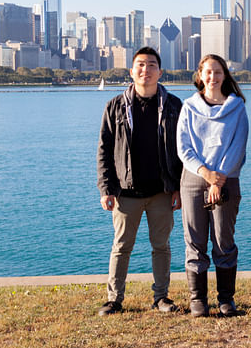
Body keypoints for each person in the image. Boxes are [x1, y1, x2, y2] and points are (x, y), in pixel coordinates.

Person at [96, 46, 182, 316]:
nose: (146, 70)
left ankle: (161, 298)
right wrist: (106, 189)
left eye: (151, 65)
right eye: (140, 65)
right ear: (132, 71)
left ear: (160, 71)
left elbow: (183, 148)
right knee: (121, 247)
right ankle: (114, 299)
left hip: (161, 191)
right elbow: (104, 150)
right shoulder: (115, 106)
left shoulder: (173, 105)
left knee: (161, 246)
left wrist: (178, 187)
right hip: (125, 192)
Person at [177, 54, 248, 317]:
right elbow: (183, 148)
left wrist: (218, 178)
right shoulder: (189, 107)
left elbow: (238, 147)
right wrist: (206, 174)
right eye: (208, 72)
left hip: (227, 179)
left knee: (223, 240)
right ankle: (198, 300)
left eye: (218, 72)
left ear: (225, 75)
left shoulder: (237, 107)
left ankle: (226, 300)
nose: (213, 77)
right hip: (194, 180)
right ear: (199, 75)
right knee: (194, 241)